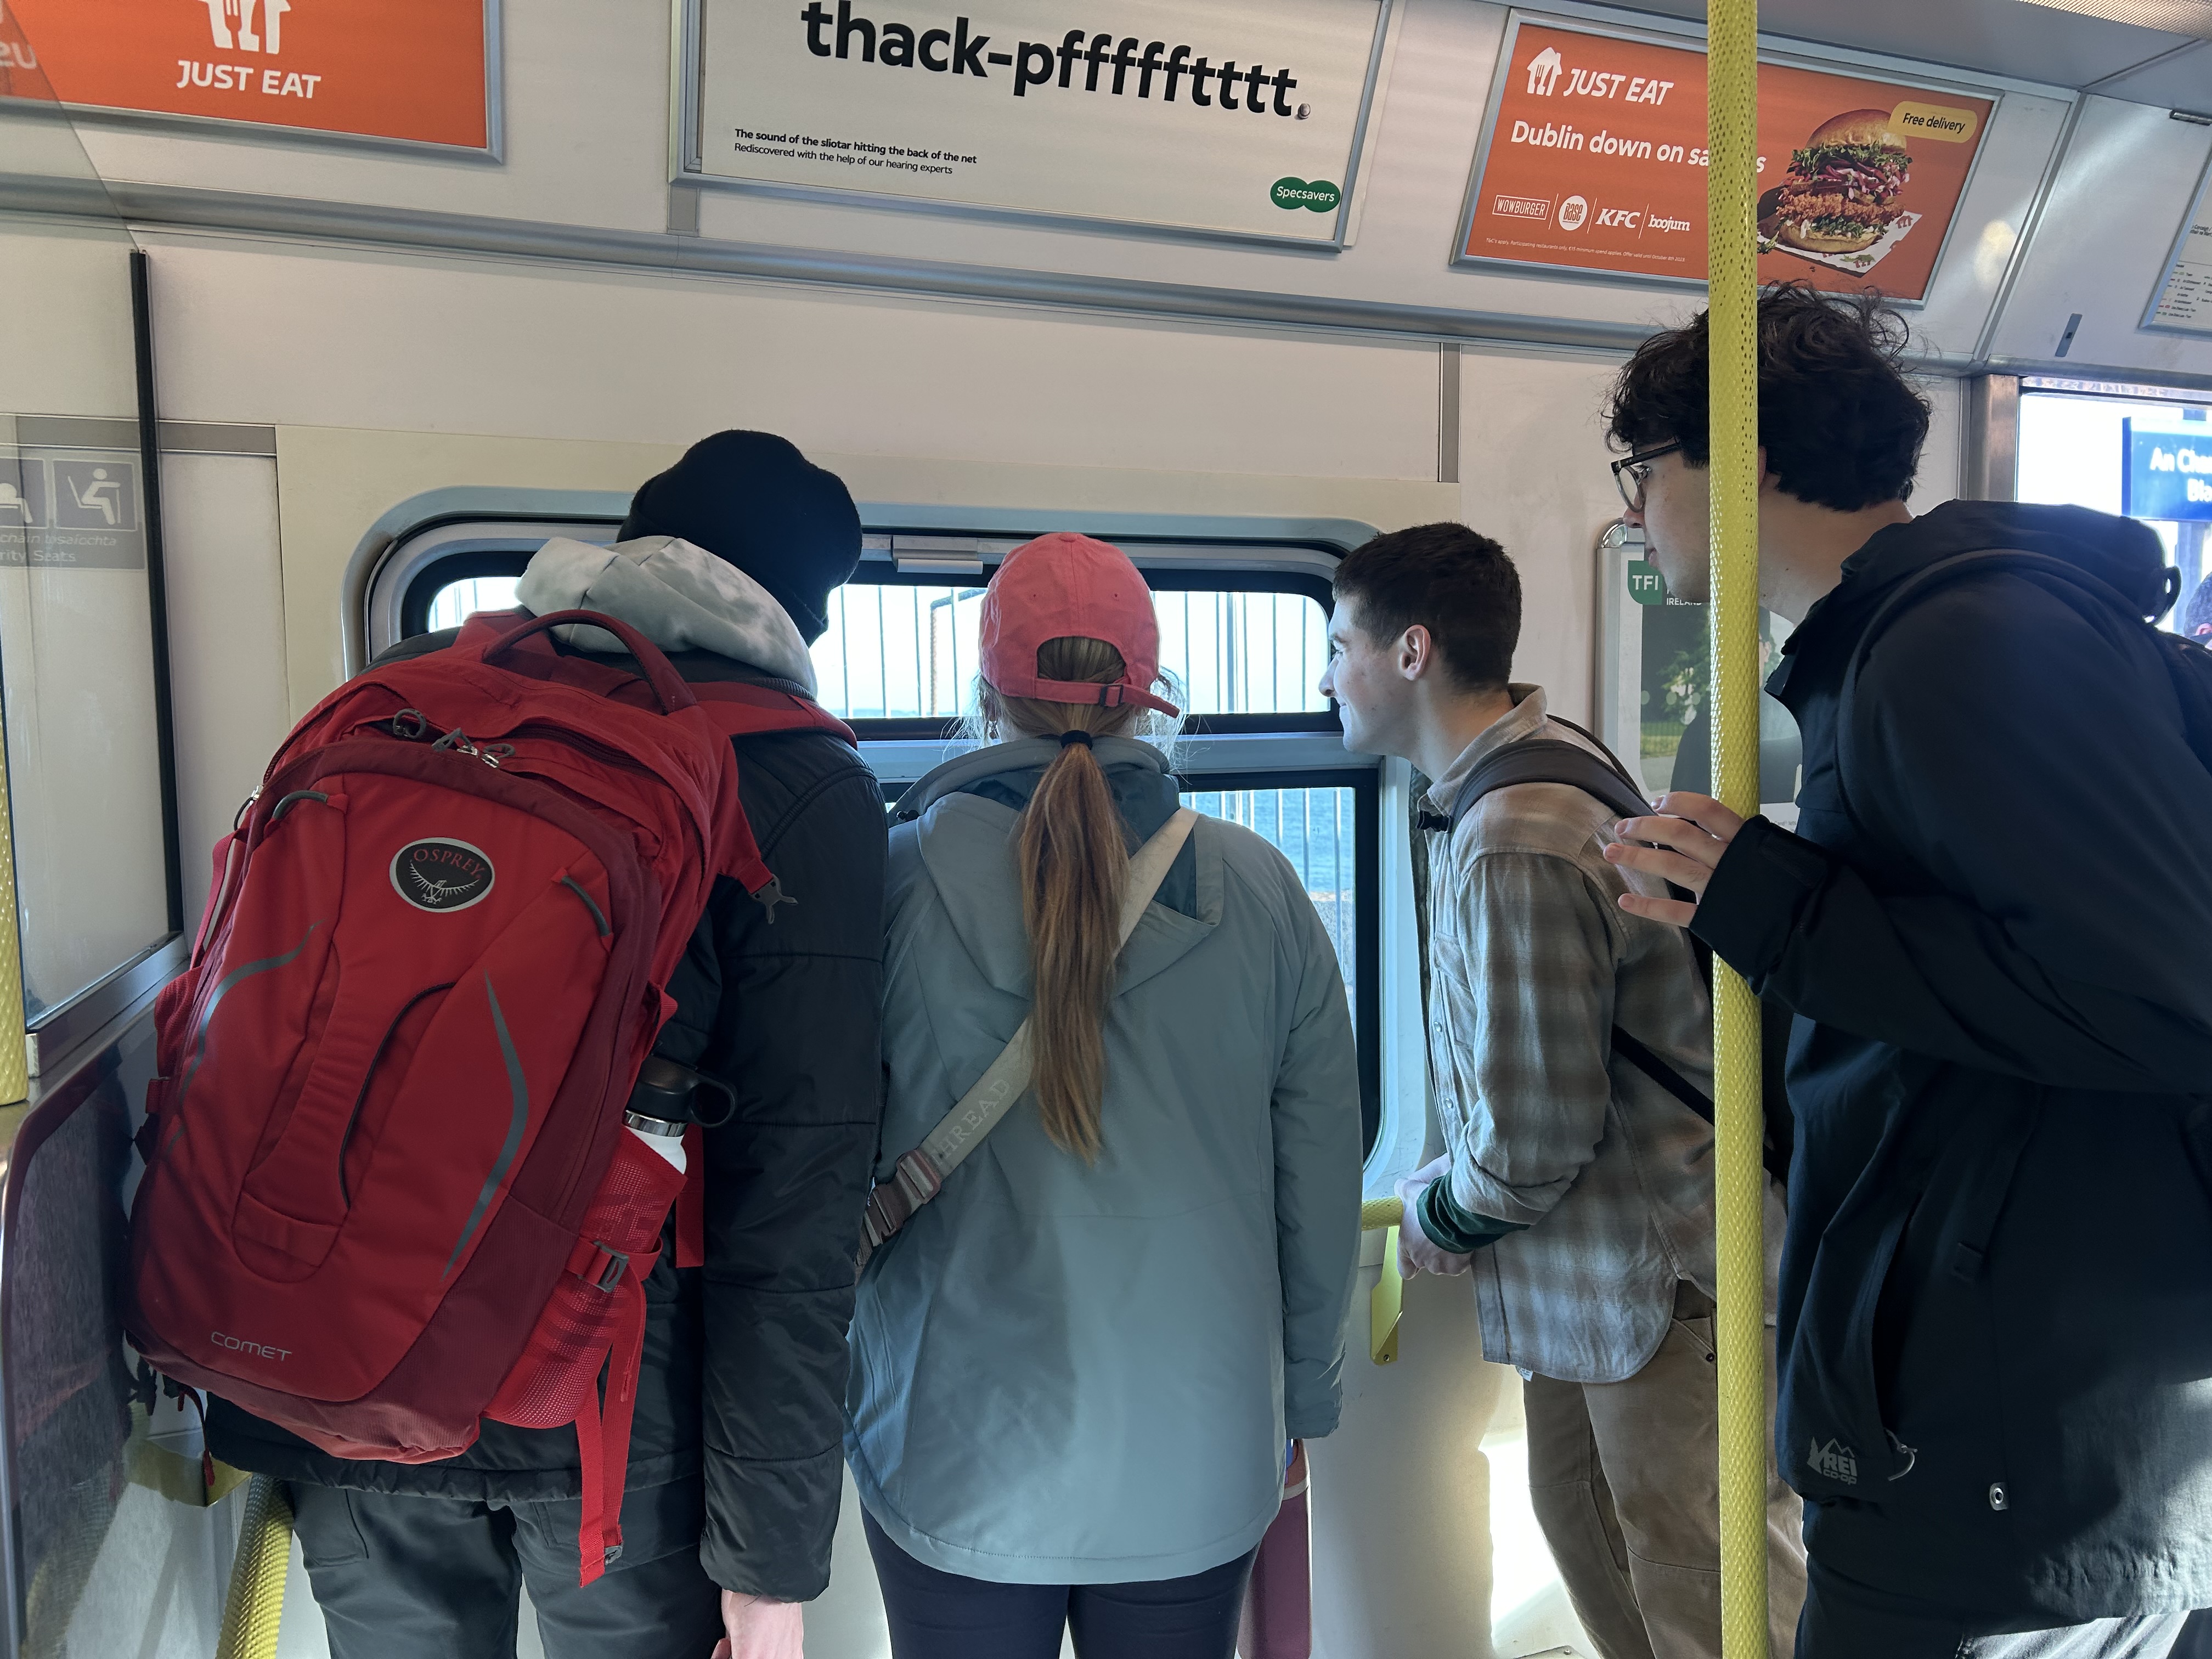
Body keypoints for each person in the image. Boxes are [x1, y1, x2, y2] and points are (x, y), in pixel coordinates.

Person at [1600, 285, 2212, 1659]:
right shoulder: (1898, 650)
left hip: (2012, 1447)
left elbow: (2167, 1000)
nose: (1640, 516)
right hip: (1988, 1417)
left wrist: (1785, 914)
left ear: (1742, 460)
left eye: (1647, 474)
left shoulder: (1957, 644)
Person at [206, 431, 889, 1659]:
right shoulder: (793, 774)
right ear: (803, 612)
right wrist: (769, 1573)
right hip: (614, 1417)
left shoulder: (403, 692)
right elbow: (794, 1209)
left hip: (337, 1351)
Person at [845, 532, 1362, 1659]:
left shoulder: (887, 887)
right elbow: (1320, 1188)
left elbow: (821, 1161)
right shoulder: (1266, 891)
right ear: (1154, 696)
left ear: (986, 695)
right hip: (1199, 1451)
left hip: (954, 1455)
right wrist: (1299, 1413)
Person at [1319, 522, 1805, 1659]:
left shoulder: (1516, 836)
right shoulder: (1543, 767)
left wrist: (1444, 1211)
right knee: (1611, 1555)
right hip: (1598, 1293)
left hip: (1660, 1286)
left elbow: (1534, 1140)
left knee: (1707, 1597)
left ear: (1411, 653)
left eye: (1342, 641)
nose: (1327, 672)